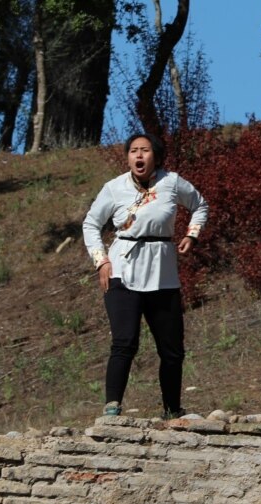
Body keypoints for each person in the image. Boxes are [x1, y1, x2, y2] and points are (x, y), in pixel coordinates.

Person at [82, 132, 207, 419]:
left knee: (172, 348)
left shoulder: (172, 182)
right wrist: (101, 261)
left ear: (156, 156)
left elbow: (200, 205)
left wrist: (192, 234)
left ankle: (172, 411)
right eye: (133, 151)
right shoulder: (114, 188)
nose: (139, 156)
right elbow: (91, 223)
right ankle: (112, 408)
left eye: (145, 150)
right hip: (122, 270)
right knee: (125, 342)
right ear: (128, 157)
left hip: (162, 271)